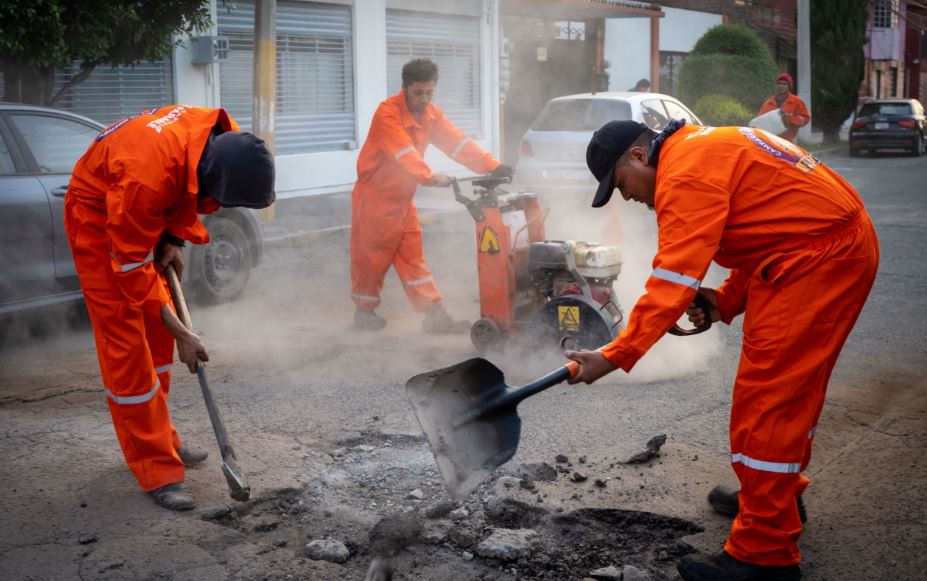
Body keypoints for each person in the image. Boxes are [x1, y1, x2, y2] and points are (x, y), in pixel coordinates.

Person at [568, 119, 879, 580]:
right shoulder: (702, 147)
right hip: (816, 253)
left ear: (638, 157)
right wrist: (725, 300)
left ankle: (763, 554)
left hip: (817, 263)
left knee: (769, 405)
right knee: (785, 398)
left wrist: (616, 353)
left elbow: (674, 275)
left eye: (621, 185)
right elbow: (773, 229)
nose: (627, 197)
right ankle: (770, 497)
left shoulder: (684, 172)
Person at [65, 105, 275, 511]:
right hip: (98, 216)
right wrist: (186, 334)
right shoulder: (147, 179)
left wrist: (175, 236)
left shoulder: (223, 137)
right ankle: (155, 468)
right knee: (127, 345)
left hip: (148, 205)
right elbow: (129, 268)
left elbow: (188, 188)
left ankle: (164, 439)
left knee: (159, 337)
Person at [350, 58, 511, 331]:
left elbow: (458, 144)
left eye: (429, 93)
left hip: (403, 199)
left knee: (413, 257)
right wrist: (429, 176)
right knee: (372, 257)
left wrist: (492, 165)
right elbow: (402, 152)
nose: (424, 99)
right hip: (376, 199)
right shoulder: (387, 114)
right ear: (404, 88)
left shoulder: (431, 115)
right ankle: (364, 312)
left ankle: (435, 316)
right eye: (418, 93)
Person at [758, 73, 810, 143]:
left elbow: (806, 118)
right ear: (776, 85)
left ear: (789, 86)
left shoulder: (797, 102)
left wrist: (791, 119)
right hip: (770, 143)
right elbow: (759, 122)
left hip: (789, 143)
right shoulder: (767, 103)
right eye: (779, 83)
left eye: (784, 84)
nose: (781, 86)